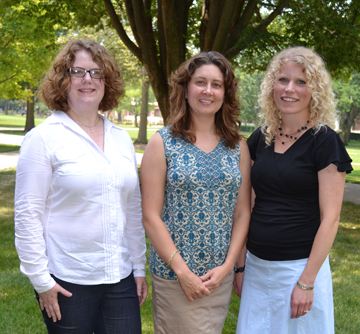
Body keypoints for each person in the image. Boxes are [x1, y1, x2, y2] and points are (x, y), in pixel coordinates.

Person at [14, 39, 147, 334]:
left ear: (106, 81)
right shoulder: (44, 138)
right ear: (63, 80)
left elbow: (133, 209)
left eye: (96, 72)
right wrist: (41, 280)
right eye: (77, 72)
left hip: (120, 277)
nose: (88, 79)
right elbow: (27, 214)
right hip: (66, 280)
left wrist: (139, 268)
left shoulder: (120, 139)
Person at [234, 46, 353, 334]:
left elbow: (331, 219)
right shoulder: (259, 139)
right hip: (257, 268)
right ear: (271, 86)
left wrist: (306, 282)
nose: (290, 89)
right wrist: (240, 265)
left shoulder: (325, 142)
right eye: (282, 80)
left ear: (315, 90)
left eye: (301, 82)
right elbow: (244, 208)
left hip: (299, 270)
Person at [140, 51, 251, 334]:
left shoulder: (237, 146)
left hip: (218, 277)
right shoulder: (162, 143)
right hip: (176, 277)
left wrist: (228, 268)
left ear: (226, 93)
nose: (208, 91)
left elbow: (242, 213)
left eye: (217, 84)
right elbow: (151, 217)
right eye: (200, 82)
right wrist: (183, 273)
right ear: (186, 88)